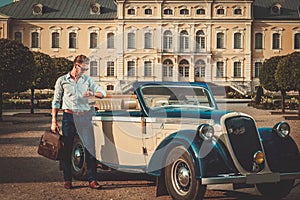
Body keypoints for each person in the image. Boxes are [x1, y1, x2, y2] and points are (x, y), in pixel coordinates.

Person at [51, 54, 106, 189]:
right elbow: (56, 101)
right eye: (84, 68)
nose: (85, 71)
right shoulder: (62, 80)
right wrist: (53, 120)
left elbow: (102, 93)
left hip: (84, 117)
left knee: (89, 148)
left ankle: (92, 180)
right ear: (76, 65)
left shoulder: (87, 80)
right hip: (69, 117)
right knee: (66, 149)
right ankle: (67, 179)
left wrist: (92, 94)